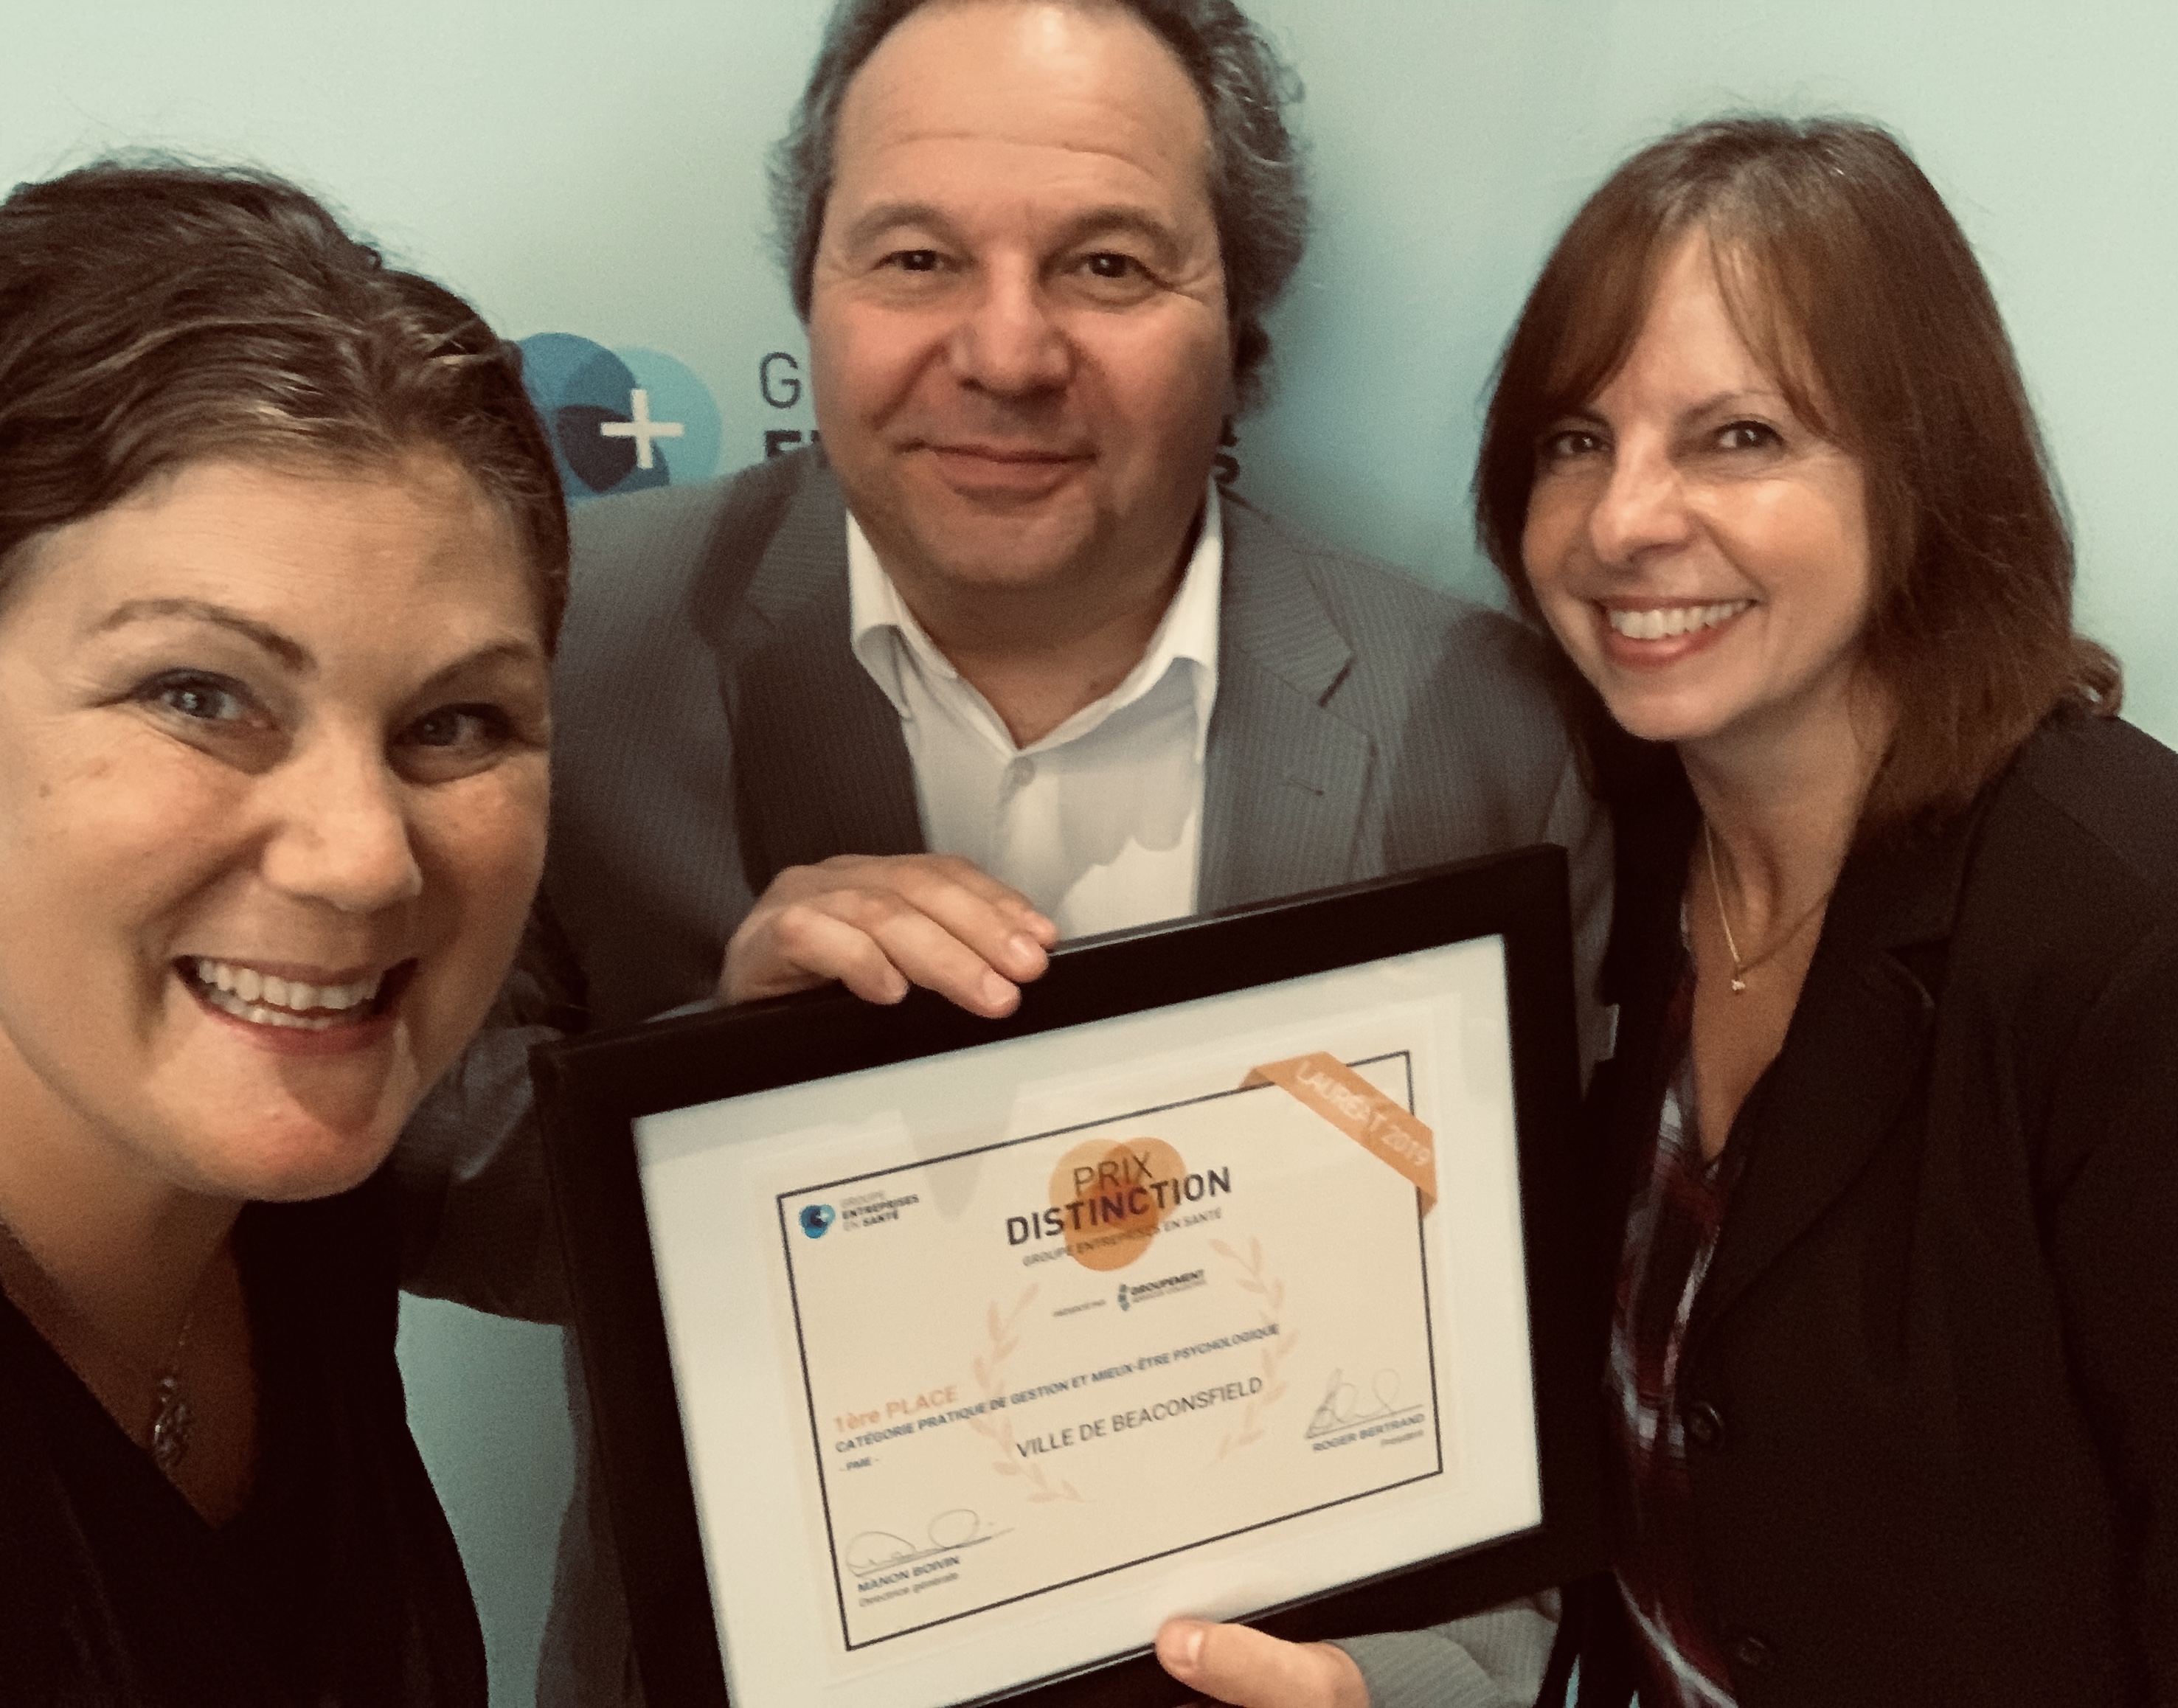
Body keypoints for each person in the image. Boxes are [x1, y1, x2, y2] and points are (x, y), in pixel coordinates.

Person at [393, 4, 1607, 1703]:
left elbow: (1534, 1347)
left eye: (1106, 266)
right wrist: (705, 1108)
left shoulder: (1483, 730)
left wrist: (1397, 1692)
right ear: (811, 287)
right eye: (916, 258)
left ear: (1236, 319)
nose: (1008, 350)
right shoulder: (566, 657)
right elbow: (404, 1149)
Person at [1156, 117, 2178, 1707]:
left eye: (1739, 437)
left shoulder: (2165, 947)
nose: (1624, 520)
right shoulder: (1596, 846)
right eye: (1575, 439)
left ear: (1922, 471)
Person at [0, 159, 566, 1704]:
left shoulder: (294, 1197)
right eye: (199, 695)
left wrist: (776, 1099)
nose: (363, 859)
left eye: (456, 721)